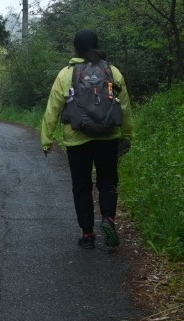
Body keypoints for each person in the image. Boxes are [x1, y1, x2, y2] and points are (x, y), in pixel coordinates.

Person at [40, 30, 135, 249]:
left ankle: (88, 234)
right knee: (108, 182)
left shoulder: (66, 74)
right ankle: (109, 220)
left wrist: (47, 139)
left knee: (81, 186)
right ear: (96, 46)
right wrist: (127, 134)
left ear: (75, 48)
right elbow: (124, 106)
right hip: (108, 137)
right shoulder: (112, 72)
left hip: (77, 138)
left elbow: (52, 108)